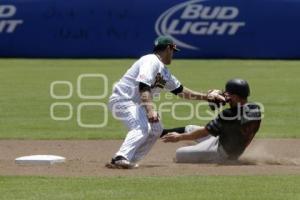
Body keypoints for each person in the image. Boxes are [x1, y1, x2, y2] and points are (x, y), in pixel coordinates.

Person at [106, 35, 225, 169]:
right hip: (123, 100)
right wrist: (150, 110)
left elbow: (182, 92)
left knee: (156, 129)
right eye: (174, 51)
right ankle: (120, 157)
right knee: (141, 128)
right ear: (169, 48)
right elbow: (143, 86)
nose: (173, 55)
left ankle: (132, 159)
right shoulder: (150, 60)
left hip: (137, 104)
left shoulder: (164, 72)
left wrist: (207, 97)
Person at [162, 79, 261, 163]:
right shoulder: (256, 109)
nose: (226, 96)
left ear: (235, 96)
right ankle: (161, 133)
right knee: (190, 128)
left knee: (179, 154)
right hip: (227, 141)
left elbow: (204, 132)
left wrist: (180, 137)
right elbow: (239, 113)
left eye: (228, 94)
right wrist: (225, 98)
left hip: (222, 154)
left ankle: (199, 149)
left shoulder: (228, 114)